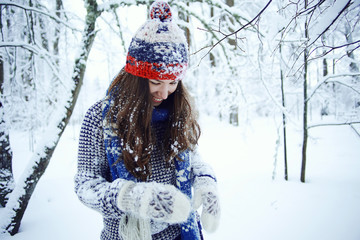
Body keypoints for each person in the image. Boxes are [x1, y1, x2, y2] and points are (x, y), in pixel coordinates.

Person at [74, 1, 220, 239]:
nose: (164, 94)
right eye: (155, 82)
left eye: (173, 83)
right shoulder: (100, 119)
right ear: (136, 78)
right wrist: (131, 197)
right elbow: (86, 186)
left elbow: (192, 156)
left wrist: (206, 180)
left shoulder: (177, 110)